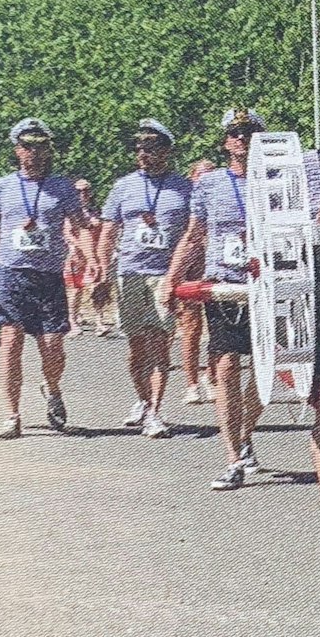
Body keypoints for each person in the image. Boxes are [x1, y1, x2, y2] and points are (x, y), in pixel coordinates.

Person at [165, 108, 270, 490]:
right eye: (235, 132)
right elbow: (195, 235)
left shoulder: (276, 178)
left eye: (249, 131)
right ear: (225, 140)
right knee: (225, 366)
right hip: (223, 285)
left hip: (264, 285)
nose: (241, 138)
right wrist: (172, 278)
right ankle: (232, 455)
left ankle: (245, 433)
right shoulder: (208, 184)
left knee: (264, 370)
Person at [0, 118, 94, 440]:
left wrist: (91, 256)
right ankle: (12, 415)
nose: (37, 153)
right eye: (29, 147)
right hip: (10, 273)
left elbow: (81, 224)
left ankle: (52, 387)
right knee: (11, 345)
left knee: (53, 348)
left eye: (42, 147)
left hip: (49, 275)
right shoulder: (2, 186)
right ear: (18, 150)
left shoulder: (62, 186)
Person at [97, 119, 193, 440]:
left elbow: (194, 235)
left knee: (160, 345)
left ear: (166, 151)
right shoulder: (123, 186)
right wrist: (100, 267)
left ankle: (155, 411)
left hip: (164, 276)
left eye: (151, 148)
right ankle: (141, 399)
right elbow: (109, 230)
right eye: (139, 148)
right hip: (130, 275)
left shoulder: (184, 188)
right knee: (136, 349)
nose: (143, 154)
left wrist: (186, 272)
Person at [177, 159, 217, 405]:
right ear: (192, 177)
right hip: (191, 268)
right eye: (200, 175)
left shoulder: (222, 196)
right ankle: (191, 383)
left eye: (210, 174)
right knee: (191, 329)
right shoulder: (185, 203)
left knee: (216, 328)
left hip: (215, 267)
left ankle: (211, 377)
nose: (205, 179)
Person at [64, 177, 109, 332]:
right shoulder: (70, 210)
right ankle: (73, 321)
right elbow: (67, 233)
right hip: (76, 256)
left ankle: (99, 321)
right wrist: (81, 247)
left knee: (97, 288)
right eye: (79, 191)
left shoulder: (97, 211)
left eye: (86, 190)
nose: (83, 193)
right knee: (76, 290)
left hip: (94, 255)